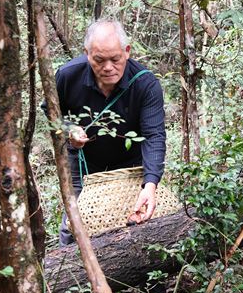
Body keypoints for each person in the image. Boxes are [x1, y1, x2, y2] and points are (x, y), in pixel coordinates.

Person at [52, 19, 166, 245]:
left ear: (127, 51)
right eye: (99, 60)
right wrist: (69, 130)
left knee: (131, 220)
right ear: (87, 54)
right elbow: (52, 113)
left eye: (115, 59)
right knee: (73, 223)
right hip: (83, 159)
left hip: (129, 161)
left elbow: (154, 135)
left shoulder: (145, 84)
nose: (108, 67)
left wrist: (150, 184)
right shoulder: (67, 76)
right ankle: (65, 272)